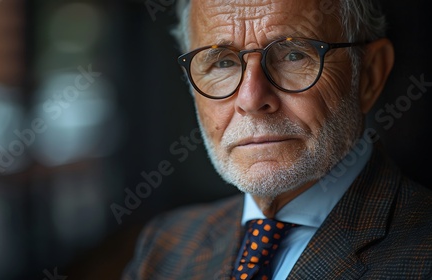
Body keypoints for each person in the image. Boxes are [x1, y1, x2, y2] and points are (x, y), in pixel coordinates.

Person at [123, 0, 432, 279]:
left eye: (293, 55)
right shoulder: (164, 247)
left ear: (369, 75)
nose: (251, 98)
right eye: (223, 63)